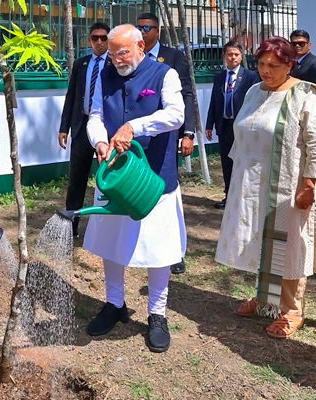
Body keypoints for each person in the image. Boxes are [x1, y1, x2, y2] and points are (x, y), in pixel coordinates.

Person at [215, 37, 316, 339]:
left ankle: (292, 310)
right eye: (262, 64)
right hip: (252, 182)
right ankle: (266, 299)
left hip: (288, 184)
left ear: (290, 64)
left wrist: (309, 182)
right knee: (259, 239)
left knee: (289, 244)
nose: (266, 71)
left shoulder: (305, 96)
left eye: (274, 66)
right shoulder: (254, 91)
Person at [84, 24, 186, 353]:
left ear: (141, 46)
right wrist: (99, 139)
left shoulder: (164, 74)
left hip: (154, 176)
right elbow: (96, 114)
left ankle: (157, 314)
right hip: (115, 174)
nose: (116, 60)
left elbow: (175, 115)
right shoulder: (106, 74)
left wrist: (135, 126)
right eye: (111, 54)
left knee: (159, 248)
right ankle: (115, 304)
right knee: (111, 242)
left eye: (122, 52)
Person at [136, 12, 194, 275]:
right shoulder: (132, 57)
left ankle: (175, 252)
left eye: (146, 28)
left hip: (166, 137)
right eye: (138, 28)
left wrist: (188, 133)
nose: (142, 32)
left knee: (168, 195)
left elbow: (187, 96)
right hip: (137, 140)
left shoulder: (172, 57)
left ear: (157, 30)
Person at [59, 22, 110, 239]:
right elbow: (71, 97)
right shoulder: (81, 64)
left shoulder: (115, 64)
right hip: (81, 128)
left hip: (105, 132)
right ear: (89, 40)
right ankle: (71, 229)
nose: (99, 42)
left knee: (108, 180)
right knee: (76, 181)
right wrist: (64, 128)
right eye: (95, 38)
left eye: (103, 38)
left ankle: (106, 231)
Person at [204, 41, 260, 210]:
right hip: (225, 126)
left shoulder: (251, 76)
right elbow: (214, 101)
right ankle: (229, 195)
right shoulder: (219, 77)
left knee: (243, 161)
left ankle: (244, 196)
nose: (233, 57)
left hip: (243, 126)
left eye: (236, 54)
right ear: (224, 56)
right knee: (227, 162)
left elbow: (255, 101)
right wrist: (209, 124)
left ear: (241, 56)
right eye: (230, 54)